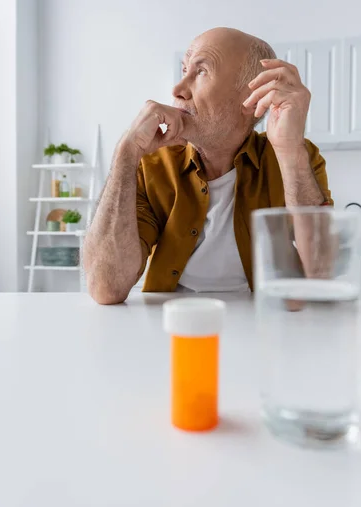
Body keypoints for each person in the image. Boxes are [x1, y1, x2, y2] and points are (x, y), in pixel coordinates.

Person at [84, 27, 333, 304]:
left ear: (250, 98)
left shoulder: (297, 156)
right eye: (184, 70)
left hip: (265, 324)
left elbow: (321, 275)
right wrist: (125, 154)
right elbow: (105, 288)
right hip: (174, 325)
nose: (177, 90)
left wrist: (289, 150)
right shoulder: (152, 165)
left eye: (201, 71)